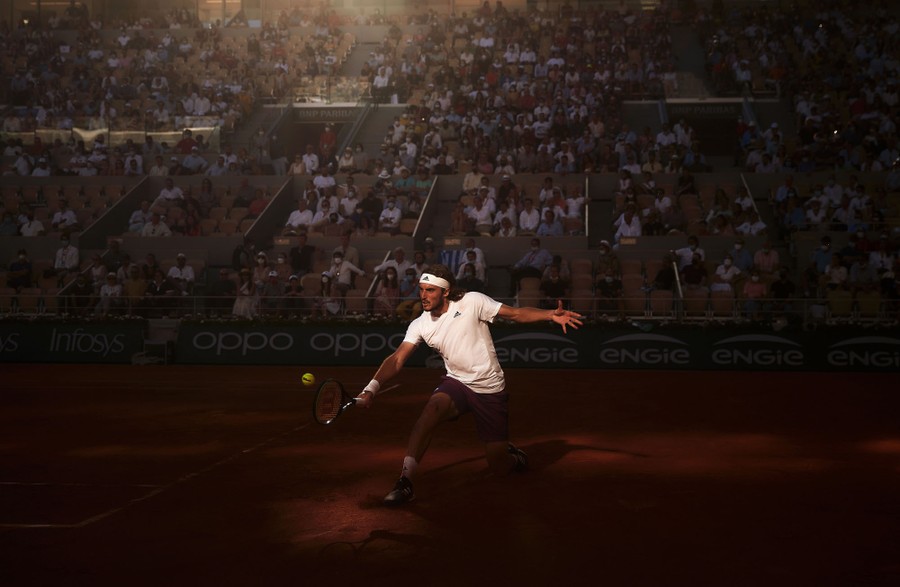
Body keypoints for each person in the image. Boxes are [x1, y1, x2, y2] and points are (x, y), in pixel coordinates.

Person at [354, 264, 584, 505]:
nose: (423, 295)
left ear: (445, 291)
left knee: (499, 467)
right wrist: (371, 388)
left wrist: (549, 314)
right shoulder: (420, 324)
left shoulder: (472, 301)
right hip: (456, 382)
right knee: (429, 412)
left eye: (430, 290)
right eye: (421, 289)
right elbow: (398, 358)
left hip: (488, 387)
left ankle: (513, 457)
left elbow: (515, 314)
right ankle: (405, 482)